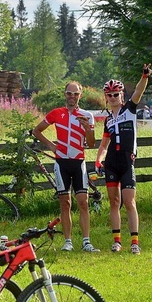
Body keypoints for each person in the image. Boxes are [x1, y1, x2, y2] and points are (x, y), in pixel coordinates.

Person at [32, 81, 99, 252]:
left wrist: (87, 129)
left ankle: (86, 241)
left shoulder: (87, 116)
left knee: (83, 202)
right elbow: (37, 131)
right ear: (65, 94)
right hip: (61, 162)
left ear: (80, 96)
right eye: (69, 93)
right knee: (65, 202)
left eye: (76, 94)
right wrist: (51, 146)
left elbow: (91, 144)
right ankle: (67, 241)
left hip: (78, 162)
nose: (72, 97)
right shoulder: (57, 113)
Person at [95, 64, 152, 254]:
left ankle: (134, 242)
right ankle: (117, 240)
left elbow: (138, 90)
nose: (112, 98)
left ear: (122, 95)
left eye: (116, 94)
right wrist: (98, 160)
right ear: (106, 98)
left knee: (129, 202)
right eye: (109, 95)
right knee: (113, 202)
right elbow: (104, 145)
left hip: (127, 162)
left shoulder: (130, 109)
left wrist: (144, 76)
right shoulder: (108, 120)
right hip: (112, 164)